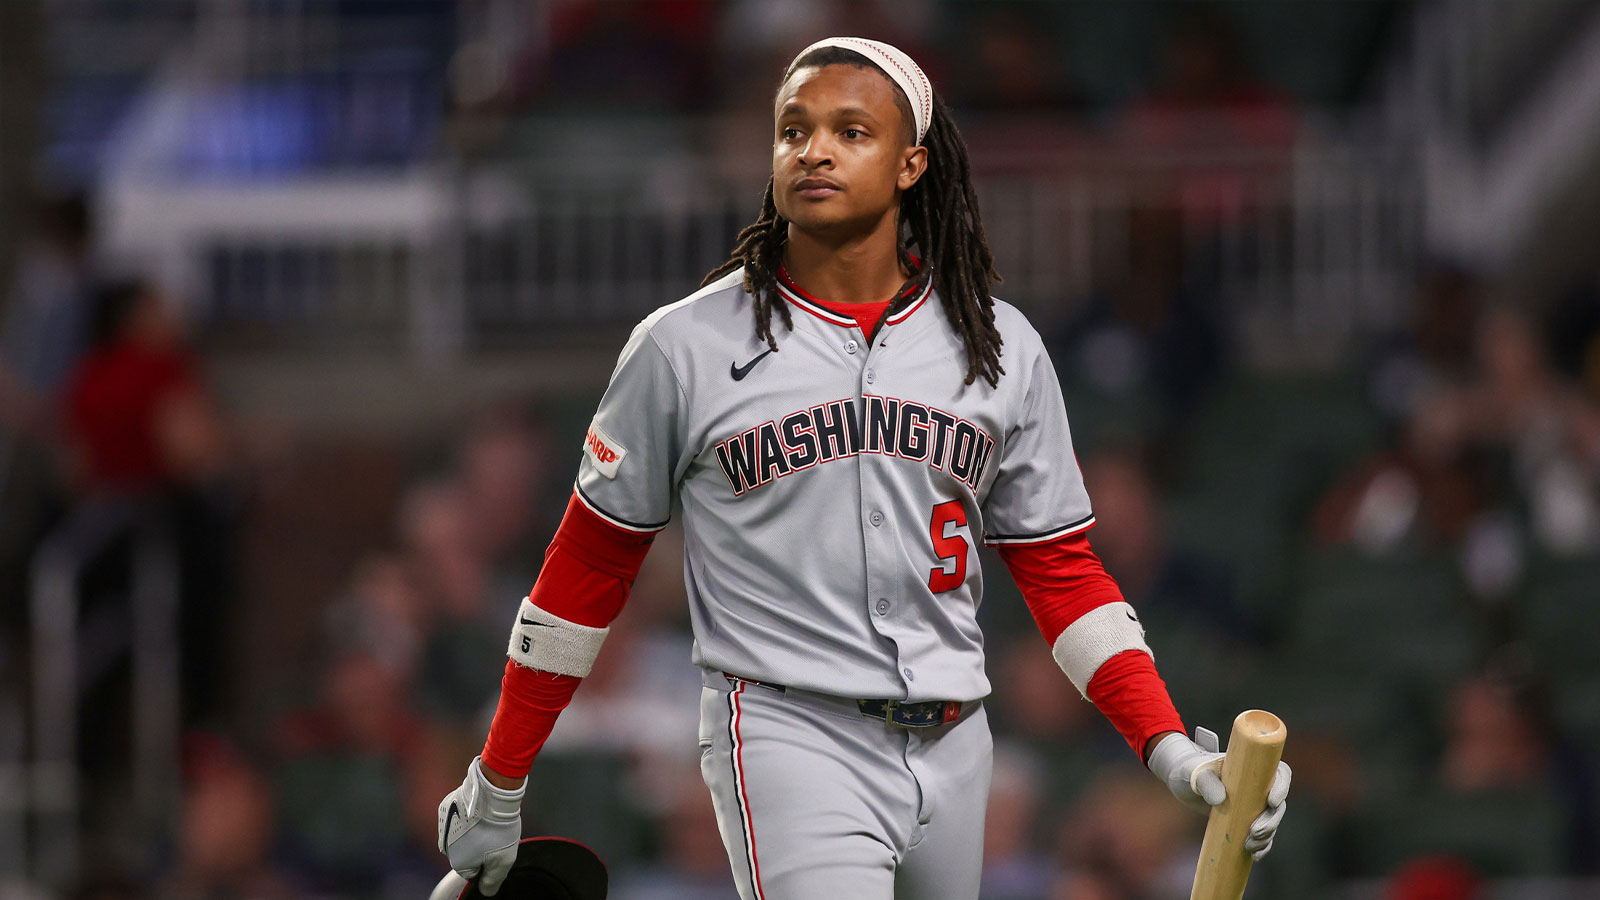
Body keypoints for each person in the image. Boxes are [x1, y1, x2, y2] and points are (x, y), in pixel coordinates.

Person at [437, 37, 1290, 899]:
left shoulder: (1002, 345)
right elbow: (585, 569)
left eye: (851, 130)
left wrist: (1170, 745)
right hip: (787, 732)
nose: (814, 150)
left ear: (912, 162)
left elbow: (1062, 573)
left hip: (959, 742)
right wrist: (501, 776)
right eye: (793, 130)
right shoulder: (683, 346)